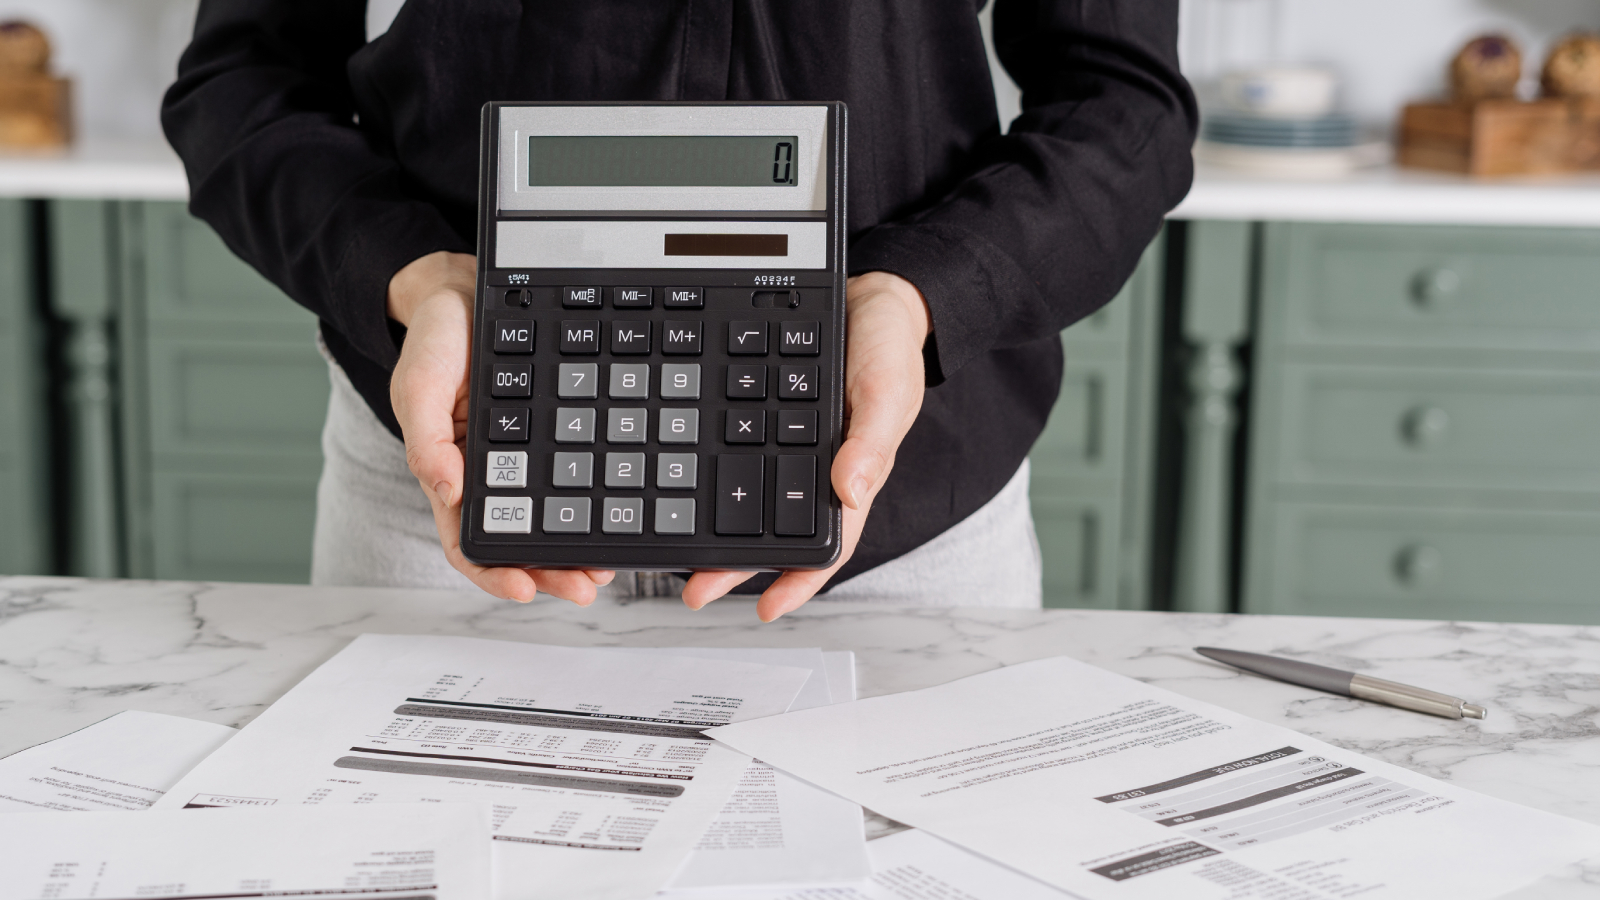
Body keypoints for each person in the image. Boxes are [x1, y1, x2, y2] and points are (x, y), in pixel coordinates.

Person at [162, 1, 1195, 620]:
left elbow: (1121, 103)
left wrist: (925, 291)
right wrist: (409, 272)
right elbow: (241, 83)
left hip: (894, 507)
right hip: (465, 475)